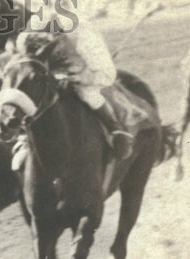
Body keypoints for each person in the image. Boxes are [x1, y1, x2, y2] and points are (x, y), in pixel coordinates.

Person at [15, 22, 134, 160]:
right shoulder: (25, 38)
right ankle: (23, 135)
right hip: (48, 73)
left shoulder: (81, 39)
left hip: (81, 71)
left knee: (86, 94)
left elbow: (105, 73)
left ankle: (115, 130)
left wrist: (78, 77)